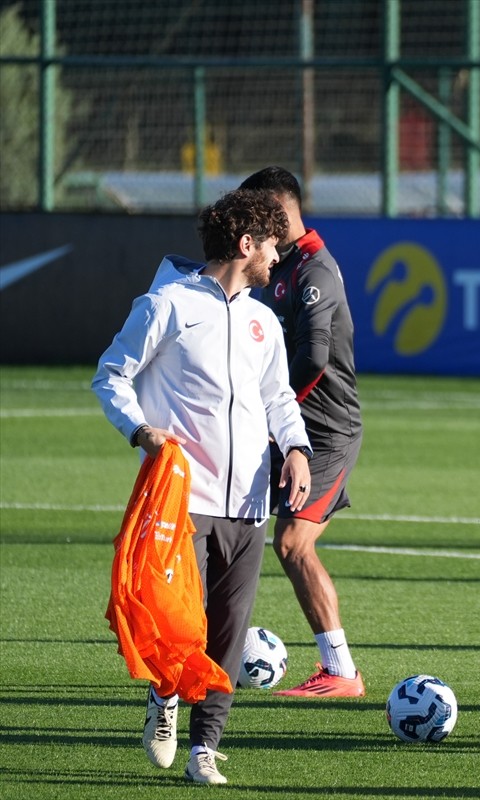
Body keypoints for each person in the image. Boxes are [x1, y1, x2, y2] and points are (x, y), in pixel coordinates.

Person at [94, 188, 313, 785]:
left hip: (249, 501)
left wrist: (295, 448)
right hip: (181, 500)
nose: (278, 258)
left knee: (228, 631)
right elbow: (111, 374)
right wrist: (141, 431)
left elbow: (277, 400)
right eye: (272, 246)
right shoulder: (166, 304)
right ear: (246, 245)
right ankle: (164, 699)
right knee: (180, 623)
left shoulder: (264, 320)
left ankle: (204, 749)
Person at [238, 167, 366, 698]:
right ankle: (212, 647)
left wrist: (272, 412)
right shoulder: (283, 267)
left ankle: (341, 671)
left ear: (280, 209)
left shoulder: (316, 271)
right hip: (289, 428)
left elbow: (313, 358)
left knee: (292, 543)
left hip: (326, 432)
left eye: (258, 213)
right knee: (229, 523)